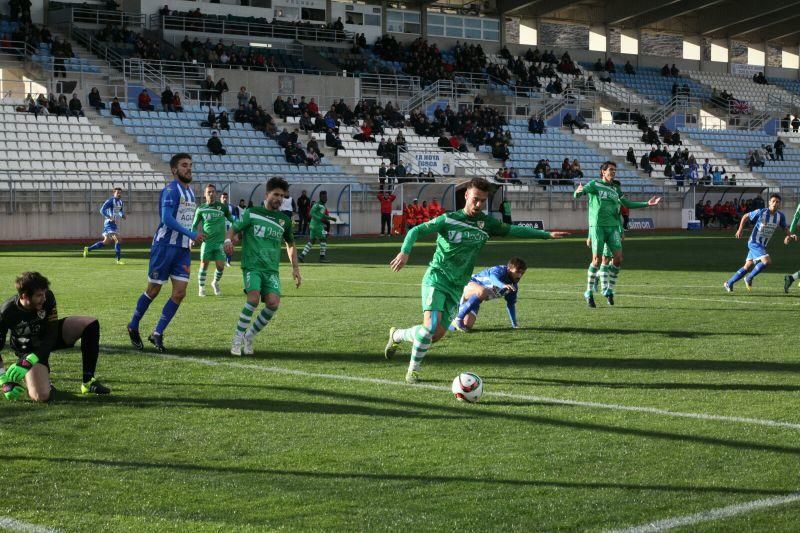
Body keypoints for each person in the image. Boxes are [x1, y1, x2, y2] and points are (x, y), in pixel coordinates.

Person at [384, 178, 568, 384]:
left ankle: (398, 335)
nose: (479, 204)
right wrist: (404, 252)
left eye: (483, 201)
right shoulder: (448, 219)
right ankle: (413, 372)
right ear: (466, 196)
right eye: (475, 199)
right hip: (437, 277)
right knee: (430, 326)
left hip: (457, 286)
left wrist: (545, 235)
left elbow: (514, 230)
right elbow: (415, 231)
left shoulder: (487, 224)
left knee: (435, 335)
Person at [127, 153, 203, 353]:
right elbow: (167, 218)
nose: (189, 168)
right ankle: (133, 325)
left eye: (190, 165)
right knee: (153, 290)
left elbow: (185, 219)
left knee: (179, 293)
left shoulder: (191, 193)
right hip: (164, 247)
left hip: (183, 250)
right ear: (174, 170)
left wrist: (190, 238)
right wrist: (191, 234)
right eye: (184, 165)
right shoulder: (170, 190)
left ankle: (157, 332)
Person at [0, 272, 110, 402]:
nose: (44, 298)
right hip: (28, 348)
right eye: (39, 295)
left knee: (90, 324)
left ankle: (88, 382)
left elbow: (52, 333)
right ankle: (47, 385)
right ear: (24, 296)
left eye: (44, 293)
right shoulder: (6, 312)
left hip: (48, 338)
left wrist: (33, 359)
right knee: (40, 396)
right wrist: (3, 381)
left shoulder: (48, 297)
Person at [224, 177, 301, 356]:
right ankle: (237, 338)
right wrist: (228, 239)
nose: (279, 199)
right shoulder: (252, 213)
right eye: (276, 194)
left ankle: (249, 336)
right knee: (253, 299)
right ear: (267, 195)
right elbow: (234, 229)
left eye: (282, 196)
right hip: (253, 266)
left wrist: (295, 268)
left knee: (273, 303)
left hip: (271, 269)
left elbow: (291, 244)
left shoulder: (284, 220)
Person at [574, 162, 661, 307]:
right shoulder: (594, 184)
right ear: (603, 172)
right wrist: (578, 192)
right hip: (598, 227)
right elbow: (579, 194)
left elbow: (626, 203)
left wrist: (647, 203)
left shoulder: (616, 188)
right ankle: (588, 292)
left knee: (618, 259)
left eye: (615, 170)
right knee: (597, 260)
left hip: (613, 227)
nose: (613, 172)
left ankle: (609, 289)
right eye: (610, 170)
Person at [725, 194, 790, 292]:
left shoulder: (780, 216)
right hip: (754, 242)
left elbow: (785, 228)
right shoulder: (761, 212)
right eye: (773, 201)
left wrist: (790, 234)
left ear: (779, 204)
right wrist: (740, 229)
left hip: (762, 244)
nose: (775, 203)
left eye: (777, 202)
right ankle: (749, 278)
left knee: (747, 266)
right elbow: (746, 216)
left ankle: (729, 283)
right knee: (767, 261)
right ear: (769, 202)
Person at [450, 258, 526, 332]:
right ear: (509, 269)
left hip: (475, 299)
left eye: (522, 273)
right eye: (517, 272)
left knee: (467, 326)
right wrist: (503, 285)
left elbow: (511, 305)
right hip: (468, 285)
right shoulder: (500, 270)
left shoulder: (513, 287)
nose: (519, 275)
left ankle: (448, 323)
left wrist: (514, 324)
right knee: (483, 291)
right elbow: (493, 279)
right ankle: (459, 317)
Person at [191, 183, 234, 297]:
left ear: (216, 193)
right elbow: (194, 225)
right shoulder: (201, 209)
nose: (211, 194)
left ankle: (215, 283)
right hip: (207, 242)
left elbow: (232, 220)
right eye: (208, 192)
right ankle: (201, 287)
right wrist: (193, 237)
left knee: (220, 266)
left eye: (213, 191)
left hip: (220, 242)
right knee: (204, 264)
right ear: (205, 194)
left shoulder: (223, 207)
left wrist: (237, 230)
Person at [83, 187, 126, 264]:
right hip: (109, 223)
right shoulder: (110, 201)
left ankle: (88, 249)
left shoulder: (120, 202)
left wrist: (122, 215)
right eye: (117, 193)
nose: (119, 194)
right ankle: (118, 260)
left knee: (106, 242)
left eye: (120, 193)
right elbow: (101, 210)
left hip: (113, 224)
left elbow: (119, 211)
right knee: (118, 239)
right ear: (114, 193)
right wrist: (109, 217)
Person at [298, 191, 337, 263]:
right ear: (320, 197)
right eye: (323, 197)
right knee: (323, 239)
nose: (325, 198)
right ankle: (322, 257)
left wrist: (330, 218)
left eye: (326, 197)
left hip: (312, 225)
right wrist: (319, 219)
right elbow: (311, 213)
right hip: (317, 226)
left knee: (312, 241)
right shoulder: (317, 205)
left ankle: (302, 255)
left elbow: (322, 215)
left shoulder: (322, 206)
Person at [220, 191, 235, 266]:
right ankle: (221, 260)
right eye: (223, 197)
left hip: (229, 228)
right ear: (220, 198)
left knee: (229, 244)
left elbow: (234, 217)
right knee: (220, 245)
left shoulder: (231, 207)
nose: (225, 199)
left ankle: (228, 261)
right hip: (220, 229)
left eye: (226, 197)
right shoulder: (217, 207)